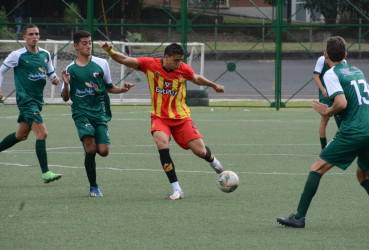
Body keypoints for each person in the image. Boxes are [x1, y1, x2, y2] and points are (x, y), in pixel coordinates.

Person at [99, 41, 225, 200]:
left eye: (180, 60)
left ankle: (213, 161)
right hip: (159, 117)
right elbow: (124, 59)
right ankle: (177, 189)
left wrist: (213, 85)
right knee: (162, 144)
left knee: (200, 151)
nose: (179, 63)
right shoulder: (150, 65)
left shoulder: (183, 69)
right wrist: (109, 51)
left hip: (181, 118)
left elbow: (196, 78)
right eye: (176, 60)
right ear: (166, 57)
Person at [277, 36, 369, 228]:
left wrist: (327, 111)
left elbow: (341, 103)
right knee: (363, 176)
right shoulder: (357, 71)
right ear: (346, 55)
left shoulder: (330, 74)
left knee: (317, 167)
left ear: (325, 55)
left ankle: (299, 217)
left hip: (353, 132)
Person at [61, 30, 135, 197]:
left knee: (103, 151)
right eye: (84, 43)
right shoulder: (70, 69)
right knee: (91, 148)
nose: (88, 46)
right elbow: (66, 98)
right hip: (81, 113)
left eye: (90, 43)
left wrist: (122, 89)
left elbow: (109, 87)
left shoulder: (102, 63)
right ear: (76, 46)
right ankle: (93, 186)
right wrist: (66, 85)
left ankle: (90, 143)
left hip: (99, 112)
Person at [0, 24, 62, 183]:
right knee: (42, 133)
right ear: (24, 37)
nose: (35, 37)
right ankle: (46, 173)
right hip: (26, 101)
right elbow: (1, 71)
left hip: (37, 101)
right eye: (31, 34)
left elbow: (51, 74)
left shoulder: (45, 54)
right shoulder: (17, 55)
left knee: (20, 135)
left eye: (37, 34)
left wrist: (55, 79)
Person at [313, 55, 345, 150]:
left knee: (342, 123)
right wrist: (323, 89)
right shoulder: (322, 60)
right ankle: (323, 147)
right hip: (326, 96)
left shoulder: (343, 62)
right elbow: (316, 76)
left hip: (337, 95)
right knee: (325, 119)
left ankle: (336, 145)